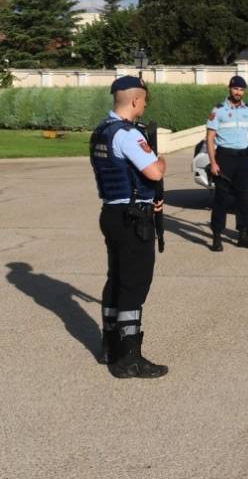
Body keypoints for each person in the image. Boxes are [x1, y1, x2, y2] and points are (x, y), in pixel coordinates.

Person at [90, 76, 168, 378]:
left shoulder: (101, 132)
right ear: (135, 100)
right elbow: (152, 171)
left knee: (117, 278)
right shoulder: (127, 135)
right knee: (134, 284)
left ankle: (110, 345)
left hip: (112, 211)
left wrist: (147, 198)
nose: (145, 105)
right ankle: (129, 357)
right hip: (132, 219)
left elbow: (122, 177)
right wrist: (161, 162)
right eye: (144, 100)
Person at [205, 75, 248, 251]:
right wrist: (213, 162)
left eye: (241, 89)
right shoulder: (218, 110)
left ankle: (243, 235)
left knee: (243, 198)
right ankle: (216, 236)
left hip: (243, 160)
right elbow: (209, 139)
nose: (238, 92)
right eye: (235, 88)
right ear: (229, 89)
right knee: (221, 199)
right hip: (224, 159)